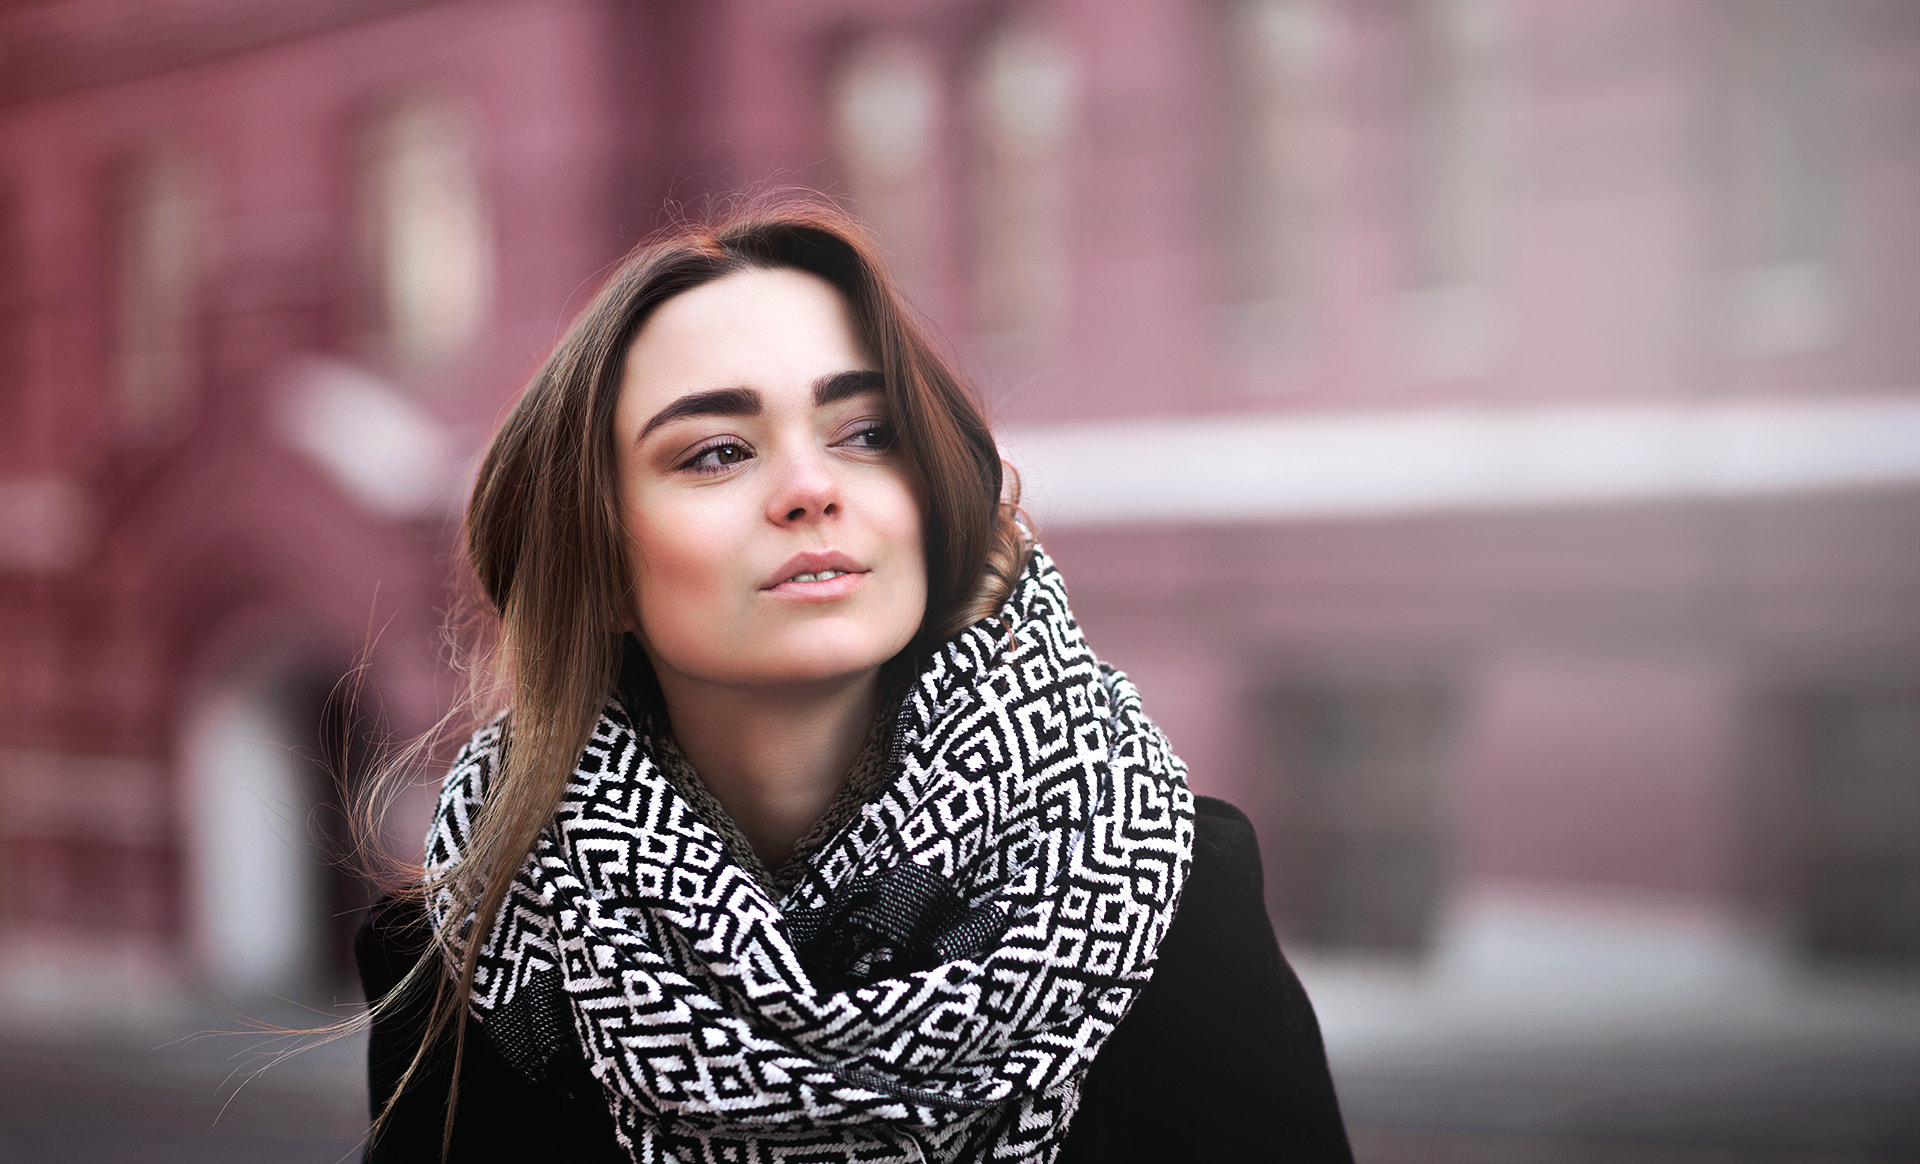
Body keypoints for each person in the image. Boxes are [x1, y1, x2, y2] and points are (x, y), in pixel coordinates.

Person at [354, 198, 1354, 1163]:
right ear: (599, 561)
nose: (810, 488)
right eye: (714, 453)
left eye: (867, 432)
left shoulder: (1160, 886)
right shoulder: (478, 954)